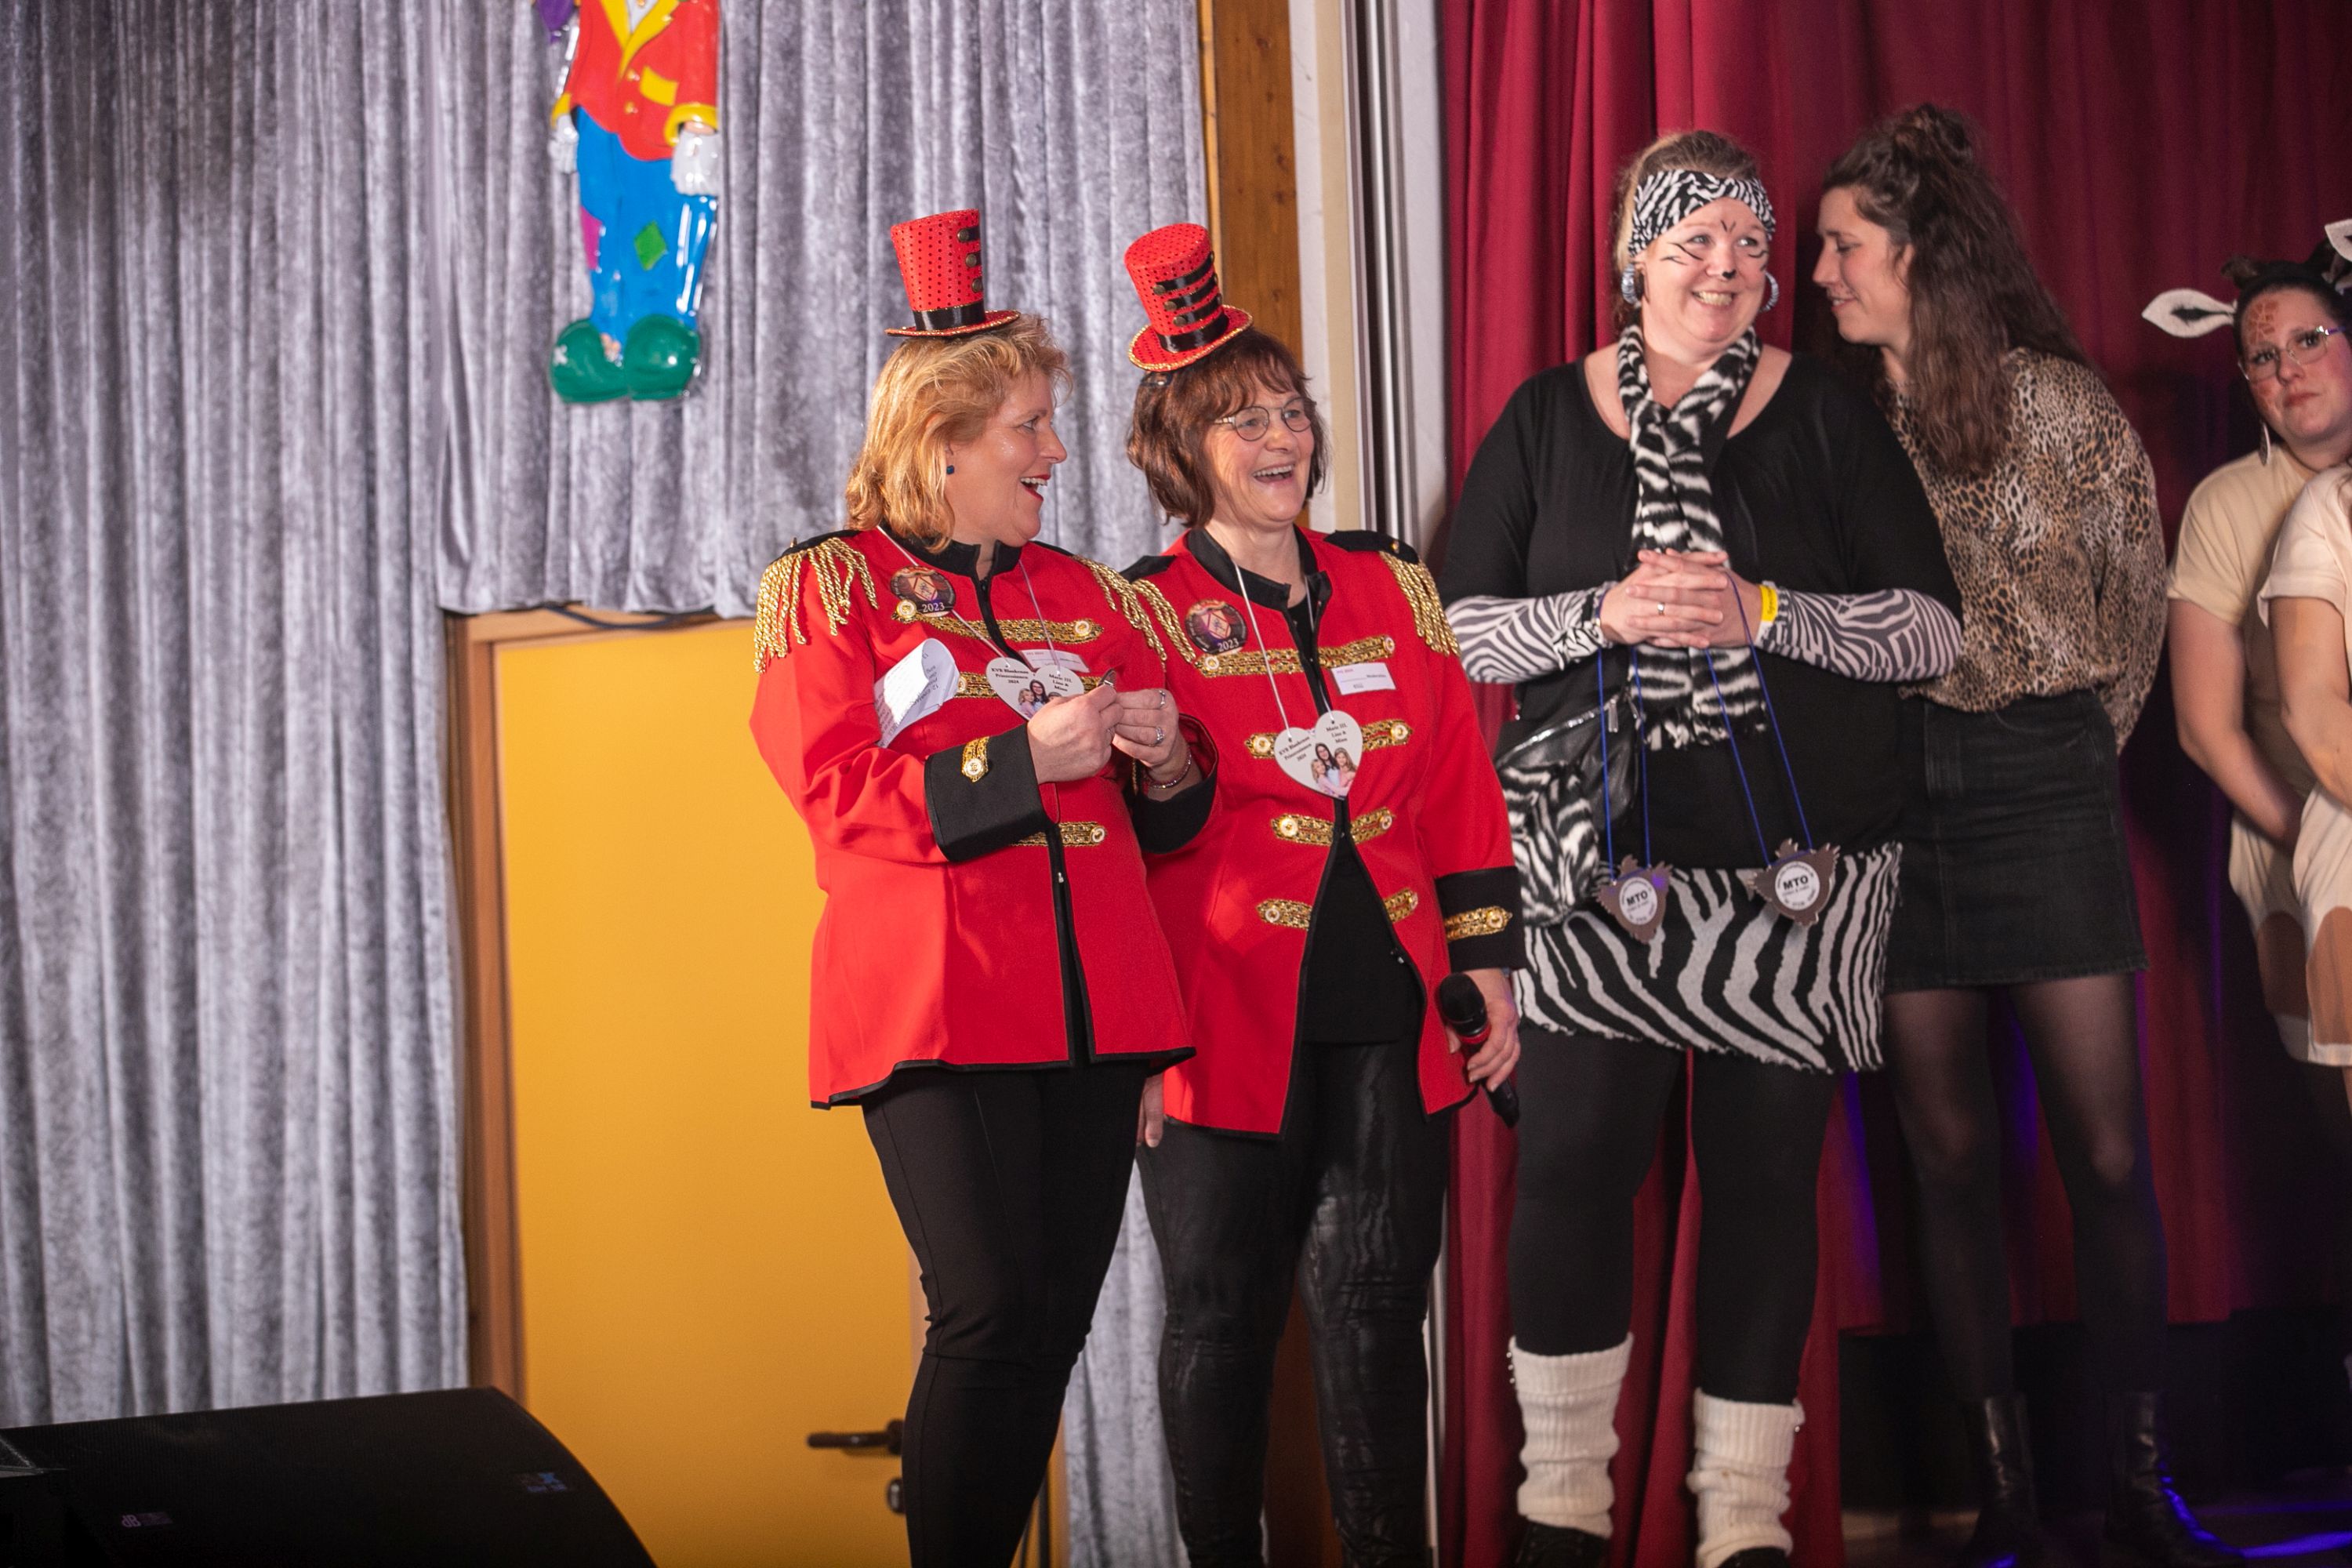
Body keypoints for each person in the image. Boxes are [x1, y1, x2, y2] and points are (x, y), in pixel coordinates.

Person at [1443, 131, 1962, 1568]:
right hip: (1593, 868)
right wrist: (1600, 616)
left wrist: (1768, 612)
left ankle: (1745, 1522)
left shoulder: (1829, 415)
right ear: (1635, 260)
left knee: (1762, 1185)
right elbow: (1458, 631)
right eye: (1693, 243)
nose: (1727, 268)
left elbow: (1931, 630)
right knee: (1571, 1168)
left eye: (1747, 244)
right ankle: (1561, 1511)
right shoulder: (1547, 417)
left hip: (1795, 885)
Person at [747, 209, 1209, 1568]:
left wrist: (1171, 758)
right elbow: (836, 794)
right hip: (940, 1013)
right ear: (941, 440)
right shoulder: (832, 589)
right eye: (1030, 429)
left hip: (1096, 1018)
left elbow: (1173, 830)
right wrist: (1021, 760)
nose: (1056, 455)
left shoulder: (1093, 596)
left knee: (1052, 1326)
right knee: (990, 1311)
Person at [1816, 105, 2231, 1568]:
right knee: (1943, 1160)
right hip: (1894, 800)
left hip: (2045, 777)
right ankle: (2001, 1500)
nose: (1821, 273)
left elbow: (2135, 612)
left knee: (2108, 1156)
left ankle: (2138, 1488)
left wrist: (2055, 755)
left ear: (1918, 253)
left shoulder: (2061, 403)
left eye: (1843, 246)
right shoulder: (1833, 421)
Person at [1116, 221, 1523, 1567]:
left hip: (1389, 1018)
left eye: (1288, 409)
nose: (1279, 436)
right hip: (1217, 1028)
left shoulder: (1392, 583)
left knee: (1377, 1313)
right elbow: (1121, 846)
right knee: (1219, 1322)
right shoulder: (1144, 613)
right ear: (1182, 452)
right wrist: (1132, 1036)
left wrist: (1488, 961)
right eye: (1241, 420)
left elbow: (1457, 785)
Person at [2160, 241, 2352, 1334]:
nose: (2288, 370)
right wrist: (2316, 840)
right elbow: (2206, 728)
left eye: (2309, 341)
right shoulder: (2233, 505)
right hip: (2301, 848)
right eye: (2262, 358)